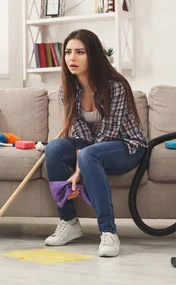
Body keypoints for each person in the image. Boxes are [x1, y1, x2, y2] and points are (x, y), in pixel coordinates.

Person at [44, 29, 147, 257]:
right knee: (53, 149)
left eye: (80, 52)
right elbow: (79, 131)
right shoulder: (67, 90)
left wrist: (80, 167)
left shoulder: (116, 86)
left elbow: (110, 132)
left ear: (93, 55)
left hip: (126, 145)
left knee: (90, 155)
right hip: (92, 147)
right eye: (68, 52)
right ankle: (69, 222)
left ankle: (108, 233)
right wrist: (82, 158)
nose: (72, 58)